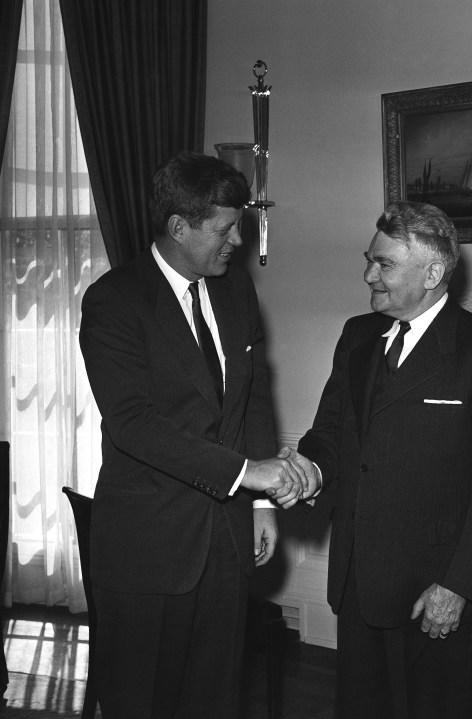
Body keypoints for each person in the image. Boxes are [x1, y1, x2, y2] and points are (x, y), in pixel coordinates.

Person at [79, 152, 315, 718]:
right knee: (142, 702)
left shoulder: (235, 293)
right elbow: (132, 423)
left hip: (226, 544)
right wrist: (244, 473)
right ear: (178, 227)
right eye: (225, 228)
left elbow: (253, 396)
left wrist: (258, 501)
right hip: (147, 548)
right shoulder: (114, 301)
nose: (237, 240)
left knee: (213, 701)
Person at [297, 200, 472, 719]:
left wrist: (458, 585)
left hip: (434, 593)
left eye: (384, 265)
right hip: (358, 583)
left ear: (433, 272)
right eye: (369, 259)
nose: (368, 275)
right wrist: (308, 469)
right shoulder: (357, 336)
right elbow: (330, 431)